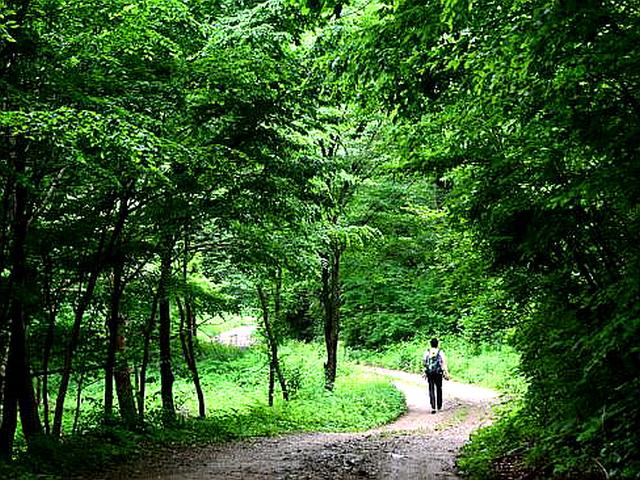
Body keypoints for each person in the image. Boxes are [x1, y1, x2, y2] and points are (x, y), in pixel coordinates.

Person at [422, 338, 450, 414]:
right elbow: (444, 363)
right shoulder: (440, 352)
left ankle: (433, 406)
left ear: (430, 344)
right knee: (439, 388)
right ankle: (439, 406)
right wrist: (446, 372)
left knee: (431, 389)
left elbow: (424, 363)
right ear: (437, 344)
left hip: (430, 373)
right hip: (438, 373)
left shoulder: (427, 352)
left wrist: (425, 371)